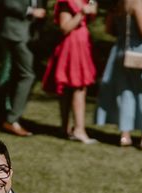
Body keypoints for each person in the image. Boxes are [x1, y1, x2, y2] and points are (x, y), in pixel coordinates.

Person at [95, 0, 142, 150]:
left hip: (122, 50)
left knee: (125, 92)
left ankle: (125, 135)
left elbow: (109, 29)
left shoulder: (119, 4)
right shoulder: (137, 3)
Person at [42, 0, 98, 143]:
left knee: (73, 88)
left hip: (81, 44)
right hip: (72, 47)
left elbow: (87, 21)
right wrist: (82, 13)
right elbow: (65, 27)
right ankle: (78, 129)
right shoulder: (66, 2)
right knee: (77, 88)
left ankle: (65, 128)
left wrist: (91, 11)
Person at [0, 0, 47, 137]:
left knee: (18, 73)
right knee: (27, 75)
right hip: (15, 32)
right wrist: (31, 11)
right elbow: (8, 3)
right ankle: (11, 120)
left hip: (27, 33)